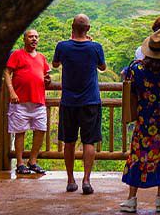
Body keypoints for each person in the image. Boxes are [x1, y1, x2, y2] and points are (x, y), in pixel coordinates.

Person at [120, 29, 160, 213]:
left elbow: (126, 80)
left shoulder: (136, 68)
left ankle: (132, 200)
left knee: (139, 157)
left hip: (145, 123)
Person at [52, 14, 106, 195]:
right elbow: (102, 67)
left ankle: (70, 180)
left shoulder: (63, 46)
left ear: (72, 27)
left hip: (68, 101)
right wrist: (91, 43)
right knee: (89, 141)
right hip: (90, 100)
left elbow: (55, 63)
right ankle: (86, 180)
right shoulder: (95, 47)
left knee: (69, 141)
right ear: (88, 29)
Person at [4, 29, 51, 175]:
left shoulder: (42, 57)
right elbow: (6, 72)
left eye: (36, 37)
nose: (34, 39)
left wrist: (48, 80)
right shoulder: (17, 54)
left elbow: (46, 76)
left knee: (41, 129)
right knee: (20, 132)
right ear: (24, 39)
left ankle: (32, 161)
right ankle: (19, 163)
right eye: (31, 37)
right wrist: (11, 91)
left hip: (38, 100)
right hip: (20, 101)